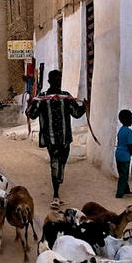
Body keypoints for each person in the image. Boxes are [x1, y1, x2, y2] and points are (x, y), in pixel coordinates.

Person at [26, 69, 86, 209]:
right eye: (56, 80)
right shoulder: (42, 98)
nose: (58, 83)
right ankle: (56, 194)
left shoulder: (66, 97)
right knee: (55, 163)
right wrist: (30, 104)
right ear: (49, 81)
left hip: (65, 138)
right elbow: (32, 114)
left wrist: (84, 107)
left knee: (62, 163)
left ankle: (58, 181)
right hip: (50, 138)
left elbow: (76, 113)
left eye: (59, 80)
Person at [115, 109, 132, 198]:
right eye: (130, 119)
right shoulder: (129, 132)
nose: (131, 121)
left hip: (118, 154)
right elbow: (129, 146)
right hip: (125, 156)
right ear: (127, 120)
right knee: (124, 175)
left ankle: (126, 189)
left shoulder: (121, 130)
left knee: (122, 173)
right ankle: (119, 193)